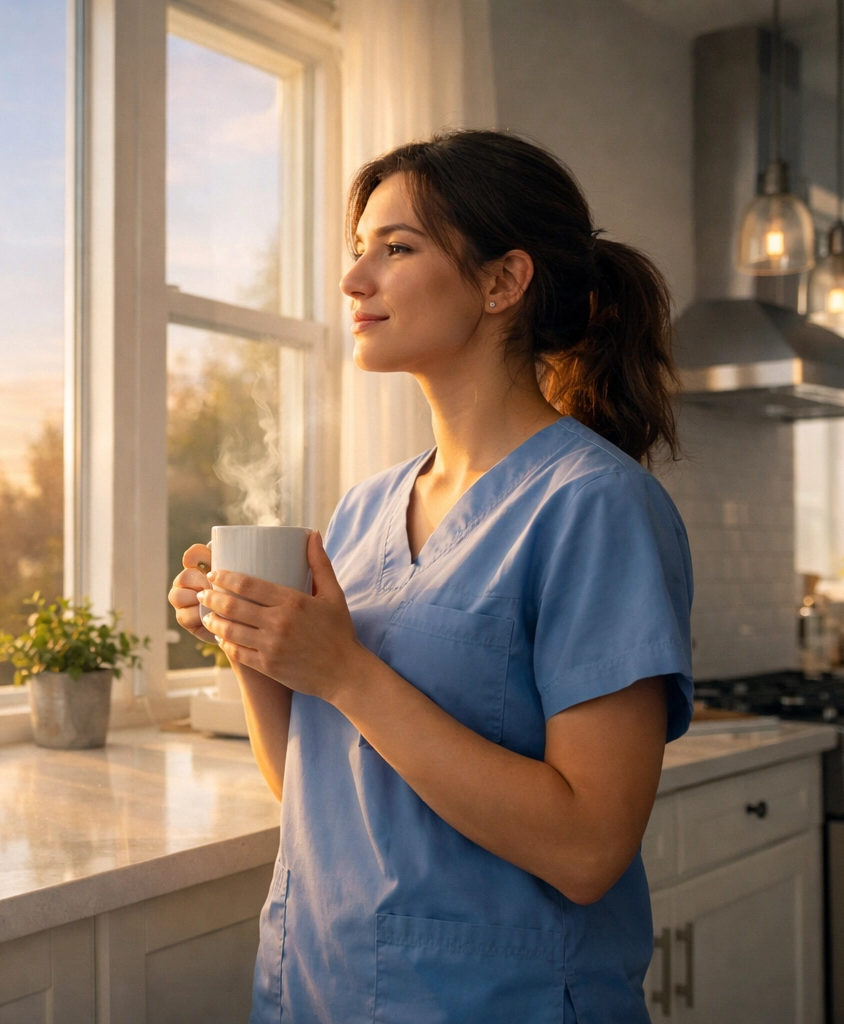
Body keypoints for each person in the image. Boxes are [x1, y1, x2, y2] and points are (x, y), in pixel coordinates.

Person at [168, 129, 693, 1024]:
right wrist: (254, 647)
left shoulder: (595, 505)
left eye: (396, 249)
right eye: (358, 250)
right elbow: (319, 793)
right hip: (313, 987)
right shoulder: (367, 508)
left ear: (502, 282)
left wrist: (343, 670)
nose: (353, 281)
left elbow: (588, 847)